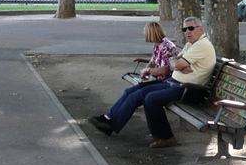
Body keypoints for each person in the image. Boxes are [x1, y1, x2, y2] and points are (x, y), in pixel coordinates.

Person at [87, 16, 216, 148]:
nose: (187, 32)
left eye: (191, 28)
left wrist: (177, 64)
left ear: (201, 29)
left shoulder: (202, 45)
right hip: (174, 83)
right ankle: (110, 122)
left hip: (190, 89)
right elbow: (174, 61)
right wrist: (177, 63)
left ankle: (166, 137)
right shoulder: (191, 44)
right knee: (135, 91)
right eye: (185, 29)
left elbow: (175, 65)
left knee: (151, 98)